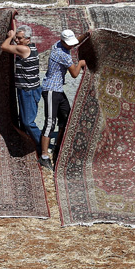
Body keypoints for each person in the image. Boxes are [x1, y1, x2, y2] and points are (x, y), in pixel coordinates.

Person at [39, 29, 86, 170]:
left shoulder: (58, 45)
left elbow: (75, 41)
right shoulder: (62, 55)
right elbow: (75, 74)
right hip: (51, 90)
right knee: (49, 123)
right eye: (70, 44)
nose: (72, 46)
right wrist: (81, 63)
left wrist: (87, 34)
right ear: (64, 42)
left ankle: (58, 146)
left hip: (58, 90)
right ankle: (44, 156)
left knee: (66, 117)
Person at [1, 23, 42, 152]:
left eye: (19, 38)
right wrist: (15, 37)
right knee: (24, 118)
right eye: (16, 38)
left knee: (28, 122)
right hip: (30, 89)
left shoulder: (24, 50)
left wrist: (10, 37)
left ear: (28, 39)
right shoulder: (31, 47)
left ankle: (41, 146)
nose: (17, 40)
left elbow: (4, 47)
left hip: (27, 91)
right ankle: (28, 143)